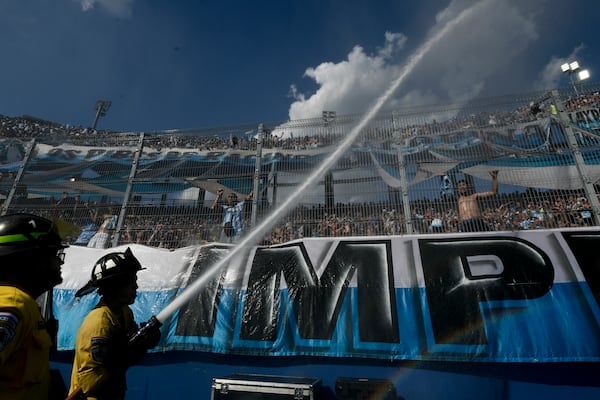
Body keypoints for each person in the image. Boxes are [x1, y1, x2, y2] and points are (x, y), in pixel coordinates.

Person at [68, 247, 161, 400]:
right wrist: (121, 355)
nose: (136, 287)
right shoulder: (99, 323)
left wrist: (142, 345)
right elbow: (90, 384)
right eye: (131, 282)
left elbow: (127, 357)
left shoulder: (124, 313)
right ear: (115, 286)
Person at [0, 213, 70, 399]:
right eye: (54, 254)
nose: (59, 262)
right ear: (29, 259)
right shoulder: (12, 303)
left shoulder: (22, 303)